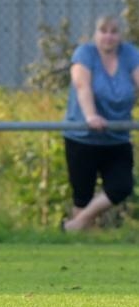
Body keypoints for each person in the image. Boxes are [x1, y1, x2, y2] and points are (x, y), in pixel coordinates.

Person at [62, 15, 139, 232]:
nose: (109, 36)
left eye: (114, 31)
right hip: (83, 136)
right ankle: (77, 251)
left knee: (121, 186)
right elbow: (82, 86)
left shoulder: (130, 54)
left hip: (117, 136)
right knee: (82, 197)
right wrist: (91, 116)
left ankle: (74, 226)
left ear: (120, 35)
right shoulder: (85, 54)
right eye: (103, 31)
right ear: (96, 34)